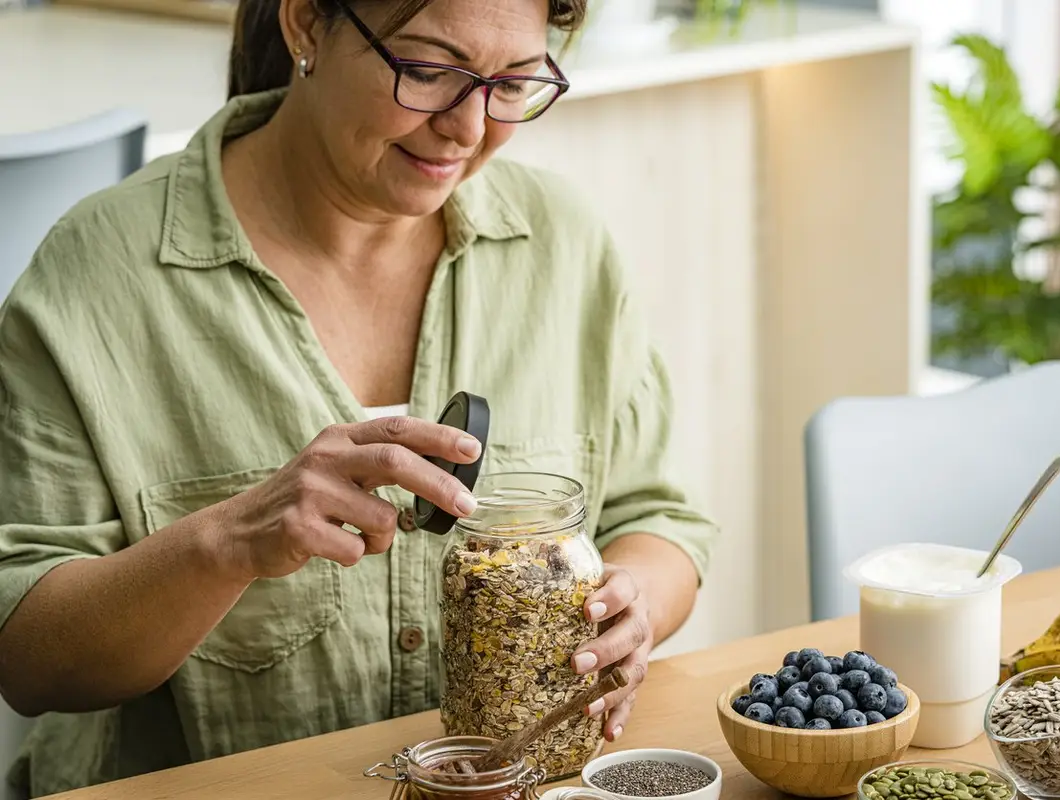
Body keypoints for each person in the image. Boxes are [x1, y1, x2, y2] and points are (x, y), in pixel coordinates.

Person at [0, 0, 719, 795]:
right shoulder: (97, 277)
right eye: (427, 71)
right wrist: (225, 545)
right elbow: (27, 659)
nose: (468, 128)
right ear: (307, 24)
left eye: (512, 83)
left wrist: (630, 605)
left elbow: (658, 520)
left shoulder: (564, 244)